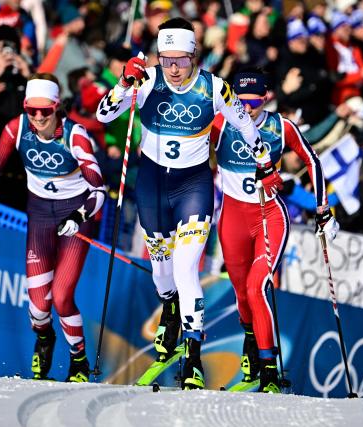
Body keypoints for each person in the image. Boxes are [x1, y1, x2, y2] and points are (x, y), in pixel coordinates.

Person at [96, 17, 281, 390]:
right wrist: (123, 84)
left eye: (181, 60)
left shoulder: (214, 87)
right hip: (151, 186)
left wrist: (261, 155)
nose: (174, 69)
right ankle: (169, 308)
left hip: (192, 186)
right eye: (166, 60)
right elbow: (104, 115)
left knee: (185, 270)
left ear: (194, 55)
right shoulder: (146, 81)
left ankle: (193, 356)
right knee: (163, 275)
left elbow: (244, 123)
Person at [211, 69, 338, 393]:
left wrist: (322, 209)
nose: (248, 109)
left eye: (253, 102)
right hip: (232, 219)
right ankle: (251, 346)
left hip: (269, 215)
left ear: (265, 98)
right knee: (241, 295)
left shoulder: (280, 126)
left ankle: (268, 370)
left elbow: (312, 160)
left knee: (257, 289)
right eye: (241, 102)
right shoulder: (221, 122)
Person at [0, 73, 106, 383]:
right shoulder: (17, 127)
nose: (37, 118)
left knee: (61, 297)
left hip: (77, 214)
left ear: (57, 108)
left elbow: (100, 190)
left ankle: (78, 361)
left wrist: (78, 217)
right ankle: (45, 338)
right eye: (31, 110)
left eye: (44, 111)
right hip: (40, 215)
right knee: (37, 307)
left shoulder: (75, 136)